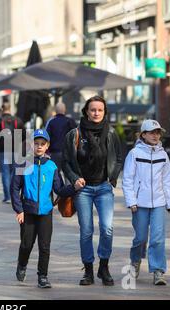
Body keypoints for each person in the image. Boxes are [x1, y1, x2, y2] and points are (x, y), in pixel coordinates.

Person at [62, 95, 123, 286]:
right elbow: (65, 162)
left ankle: (103, 267)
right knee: (86, 231)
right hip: (83, 189)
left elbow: (118, 158)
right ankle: (88, 270)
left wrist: (112, 177)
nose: (96, 113)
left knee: (107, 228)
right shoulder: (74, 134)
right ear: (86, 112)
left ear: (104, 112)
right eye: (93, 109)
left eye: (100, 110)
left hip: (104, 187)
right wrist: (74, 179)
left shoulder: (111, 133)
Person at [11, 129, 81, 288]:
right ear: (31, 145)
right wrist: (19, 209)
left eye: (42, 144)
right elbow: (14, 188)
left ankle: (42, 276)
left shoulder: (51, 166)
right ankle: (22, 265)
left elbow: (60, 189)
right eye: (36, 144)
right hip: (27, 212)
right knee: (26, 244)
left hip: (45, 212)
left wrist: (74, 187)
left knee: (45, 246)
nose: (39, 147)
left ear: (47, 145)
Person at [122, 120, 170, 286]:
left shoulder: (163, 155)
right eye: (152, 132)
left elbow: (167, 180)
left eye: (158, 132)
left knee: (158, 238)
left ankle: (158, 270)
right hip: (139, 203)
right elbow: (127, 179)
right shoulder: (134, 153)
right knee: (140, 237)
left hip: (159, 202)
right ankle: (135, 260)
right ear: (143, 134)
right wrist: (131, 201)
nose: (156, 135)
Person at [0, 102, 25, 204]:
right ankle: (14, 195)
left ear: (2, 109)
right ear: (10, 108)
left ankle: (7, 197)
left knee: (5, 173)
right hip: (16, 150)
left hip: (3, 150)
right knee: (14, 173)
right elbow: (24, 134)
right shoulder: (18, 120)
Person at [45, 102, 77, 168]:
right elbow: (77, 136)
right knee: (68, 174)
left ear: (55, 110)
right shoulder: (70, 121)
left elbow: (46, 137)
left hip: (54, 153)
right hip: (69, 153)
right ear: (65, 110)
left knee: (55, 173)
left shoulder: (51, 122)